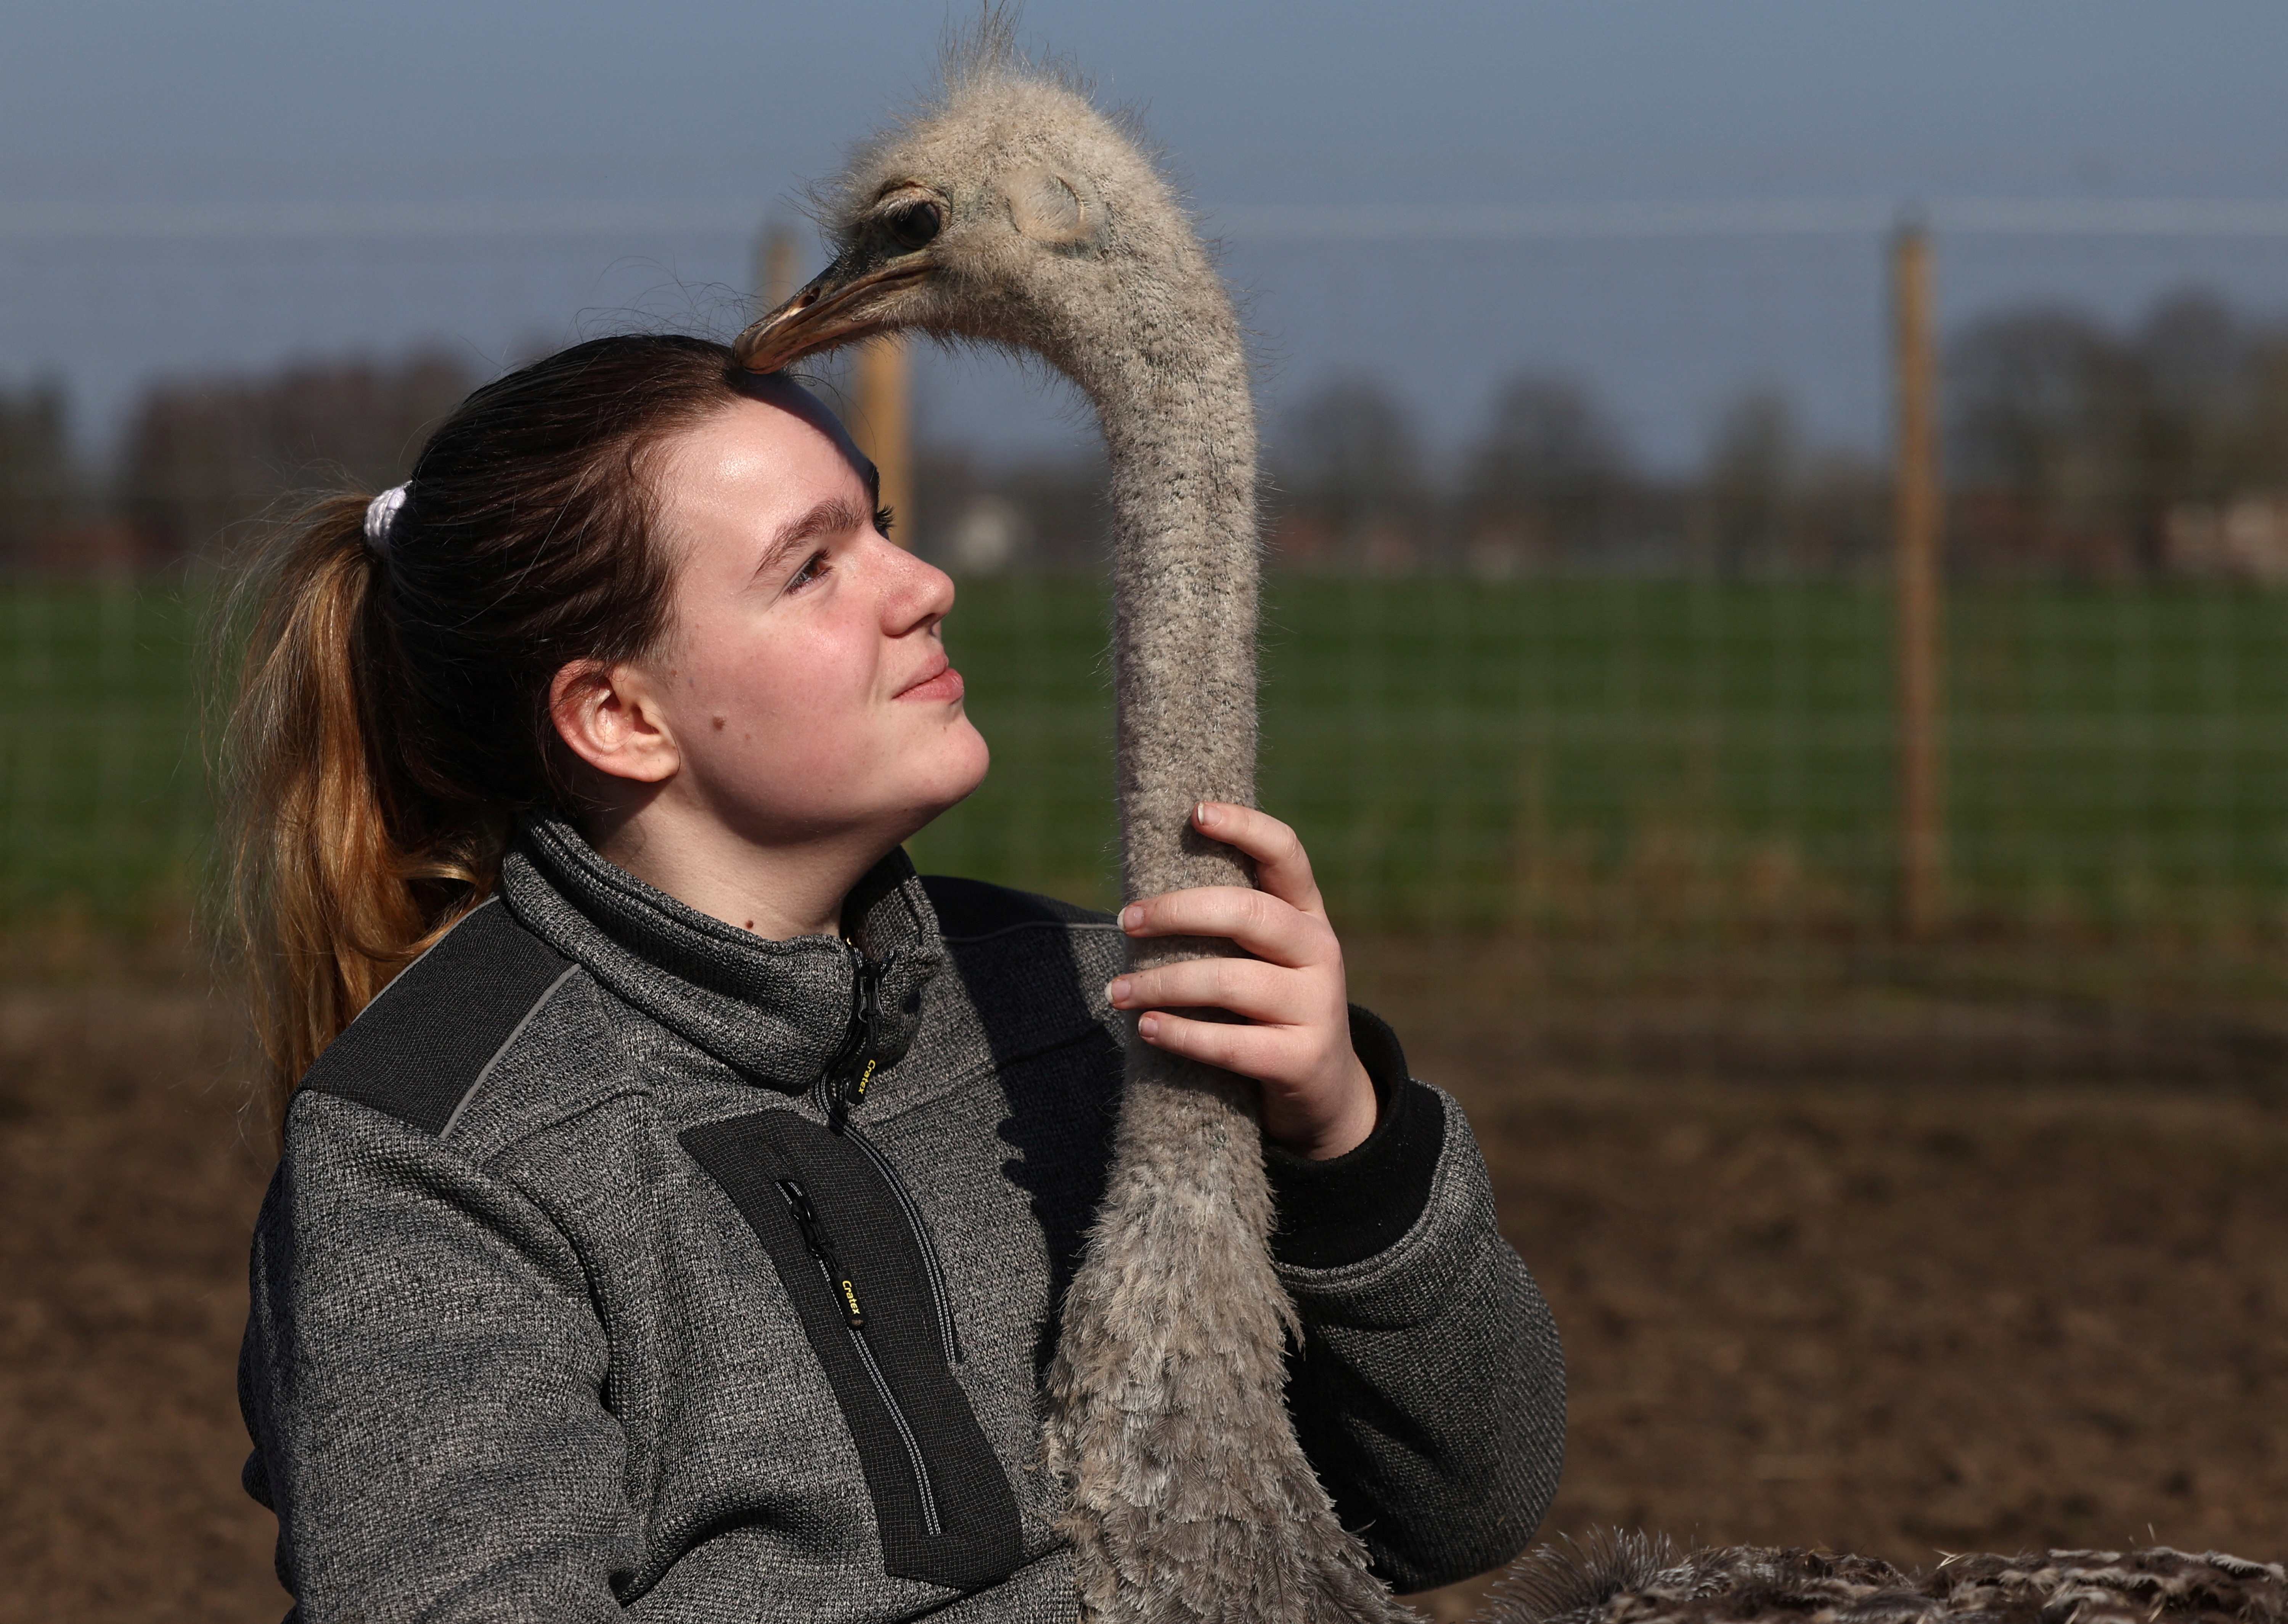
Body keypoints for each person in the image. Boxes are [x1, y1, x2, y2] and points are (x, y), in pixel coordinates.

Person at [227, 333, 1565, 1621]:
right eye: (813, 566)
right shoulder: (430, 1154)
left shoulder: (1095, 996)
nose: (922, 583)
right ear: (620, 718)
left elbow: (1458, 1508)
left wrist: (1345, 1144)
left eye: (877, 521)